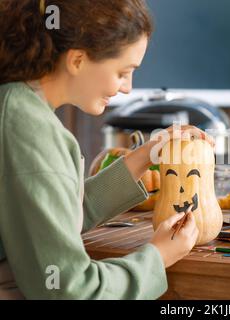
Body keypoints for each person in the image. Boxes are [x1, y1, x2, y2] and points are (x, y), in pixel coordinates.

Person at [0, 0, 213, 299]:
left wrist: (147, 155)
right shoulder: (29, 130)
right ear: (77, 60)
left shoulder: (17, 104)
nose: (127, 87)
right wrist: (158, 257)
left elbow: (51, 219)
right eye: (123, 72)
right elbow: (69, 290)